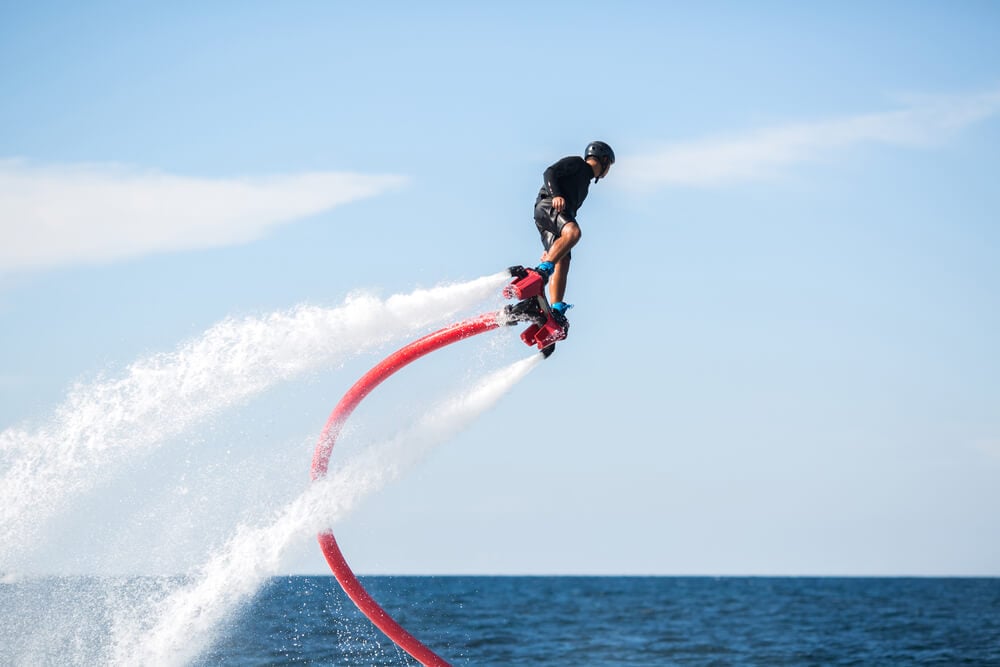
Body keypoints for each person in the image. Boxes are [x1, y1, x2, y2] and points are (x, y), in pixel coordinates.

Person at [533, 140, 615, 323]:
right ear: (604, 160)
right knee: (574, 233)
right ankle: (541, 272)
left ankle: (555, 309)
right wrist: (556, 195)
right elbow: (549, 172)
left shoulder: (585, 185)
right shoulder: (578, 164)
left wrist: (552, 250)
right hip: (548, 205)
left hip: (557, 216)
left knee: (564, 260)